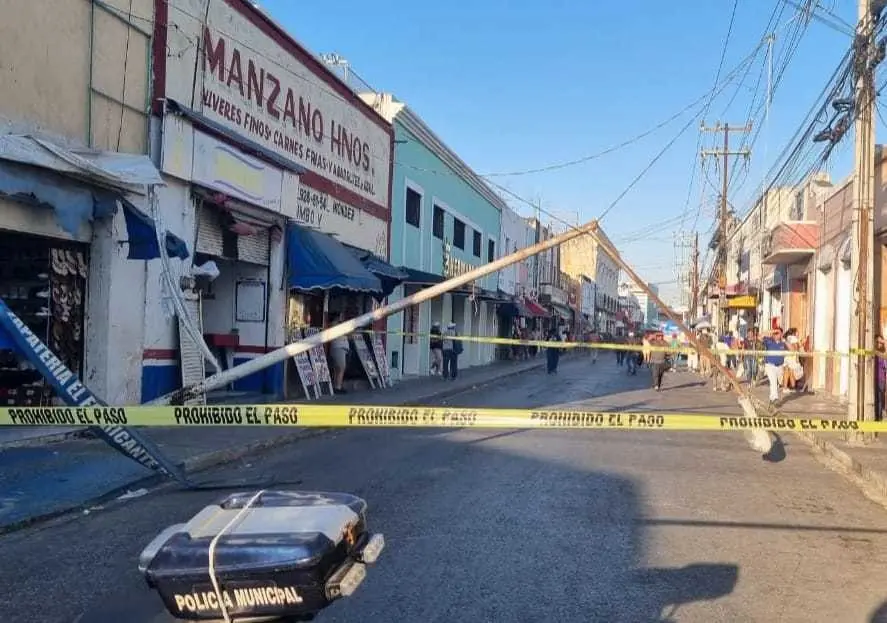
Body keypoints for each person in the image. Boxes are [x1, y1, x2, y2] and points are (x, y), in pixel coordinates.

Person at [762, 327, 788, 405]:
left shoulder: (783, 343)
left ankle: (771, 398)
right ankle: (775, 398)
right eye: (775, 334)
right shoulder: (769, 341)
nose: (777, 335)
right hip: (770, 365)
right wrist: (773, 331)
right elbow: (760, 336)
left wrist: (785, 341)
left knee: (778, 382)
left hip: (780, 366)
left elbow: (792, 349)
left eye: (778, 333)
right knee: (773, 381)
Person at [329, 315, 350, 393]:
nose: (342, 317)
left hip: (341, 349)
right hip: (338, 348)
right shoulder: (335, 324)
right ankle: (338, 387)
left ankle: (336, 385)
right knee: (341, 367)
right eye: (340, 316)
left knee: (337, 368)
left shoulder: (339, 324)